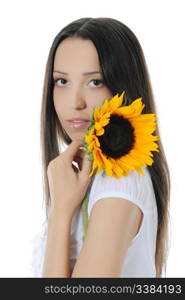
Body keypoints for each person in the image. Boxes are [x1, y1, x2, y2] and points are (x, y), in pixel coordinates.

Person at [30, 17, 171, 278]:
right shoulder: (90, 177)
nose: (75, 102)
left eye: (95, 82)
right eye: (62, 81)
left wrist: (61, 212)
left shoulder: (119, 184)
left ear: (124, 87)